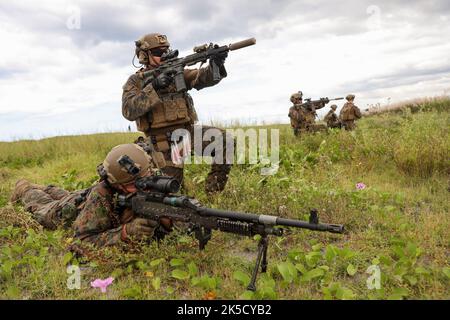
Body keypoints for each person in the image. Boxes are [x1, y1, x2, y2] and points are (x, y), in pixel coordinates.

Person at [122, 33, 232, 194]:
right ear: (144, 56)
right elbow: (128, 110)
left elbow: (202, 77)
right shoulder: (136, 81)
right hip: (161, 142)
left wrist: (216, 63)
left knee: (224, 140)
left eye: (167, 50)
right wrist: (154, 87)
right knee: (171, 189)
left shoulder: (177, 72)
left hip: (187, 133)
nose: (165, 54)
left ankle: (213, 193)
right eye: (159, 52)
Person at [9, 144, 170, 247]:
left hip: (82, 196)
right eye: (134, 184)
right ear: (117, 185)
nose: (146, 185)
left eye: (146, 177)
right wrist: (125, 232)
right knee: (42, 207)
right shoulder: (101, 195)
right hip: (71, 211)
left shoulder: (150, 174)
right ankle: (25, 187)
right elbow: (82, 241)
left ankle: (45, 187)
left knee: (68, 194)